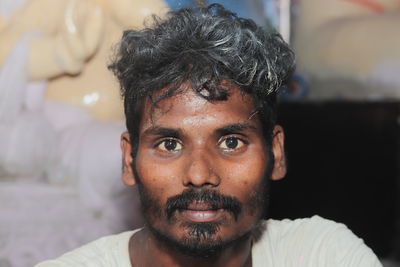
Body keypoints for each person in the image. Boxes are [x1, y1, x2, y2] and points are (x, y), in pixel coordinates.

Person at [35, 4, 382, 267]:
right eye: (169, 144)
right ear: (129, 160)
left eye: (231, 142)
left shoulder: (321, 255)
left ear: (275, 153)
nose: (199, 175)